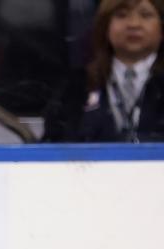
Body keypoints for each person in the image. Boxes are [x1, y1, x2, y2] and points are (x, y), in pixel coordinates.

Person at [42, 0, 164, 142]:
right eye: (122, 15)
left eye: (145, 15)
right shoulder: (75, 86)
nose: (134, 24)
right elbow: (53, 145)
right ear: (105, 27)